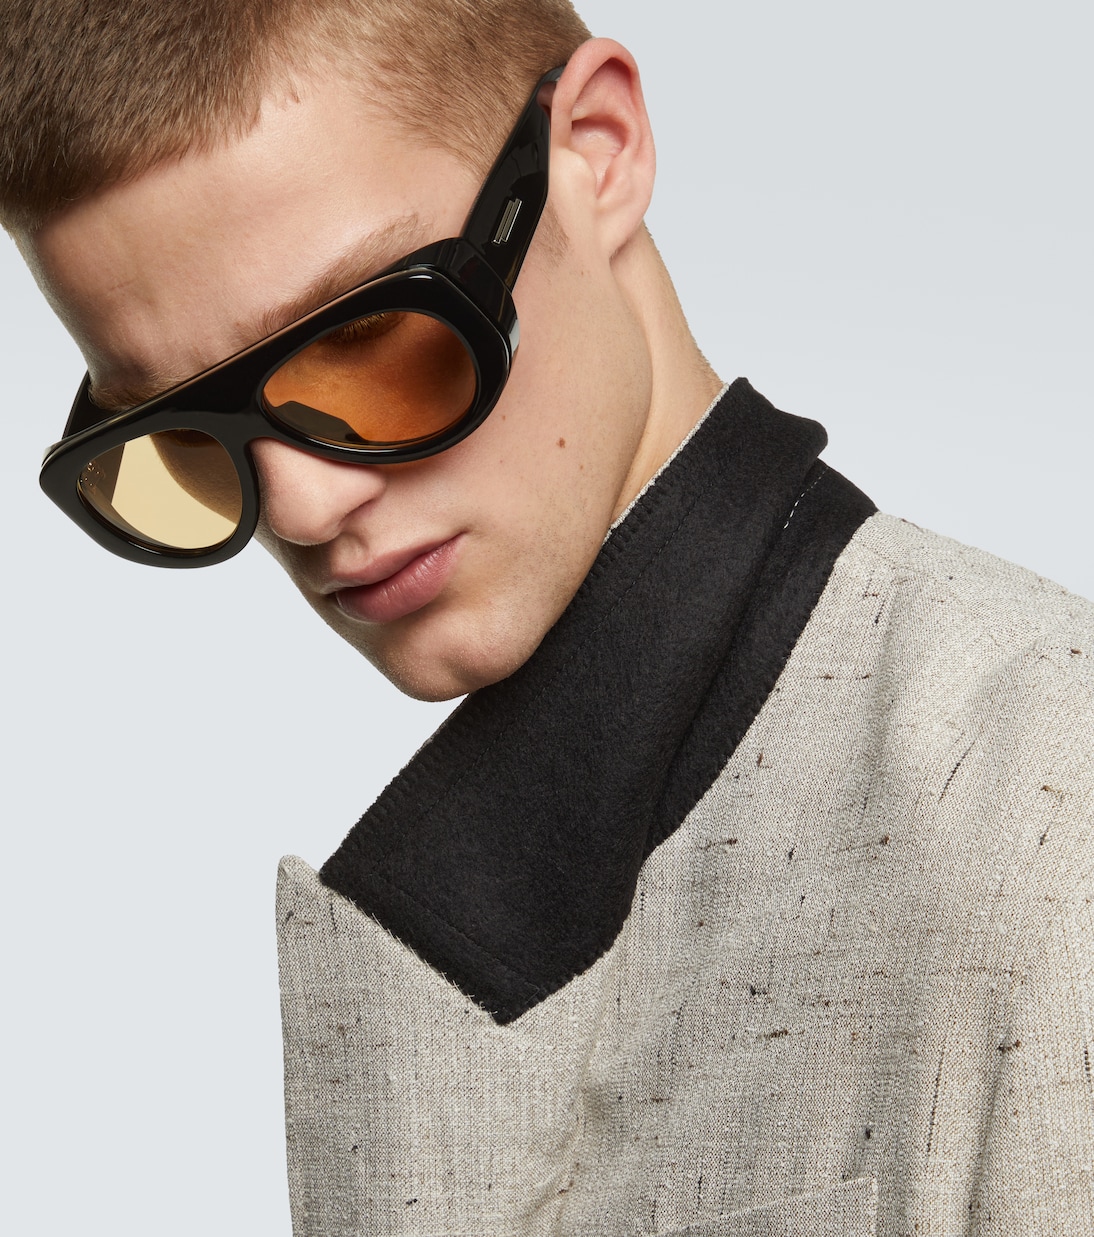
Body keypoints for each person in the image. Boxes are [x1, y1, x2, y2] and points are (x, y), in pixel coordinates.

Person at [3, 1, 1091, 1234]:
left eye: (368, 333)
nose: (301, 507)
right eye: (180, 433)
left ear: (597, 151)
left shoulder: (1043, 806)